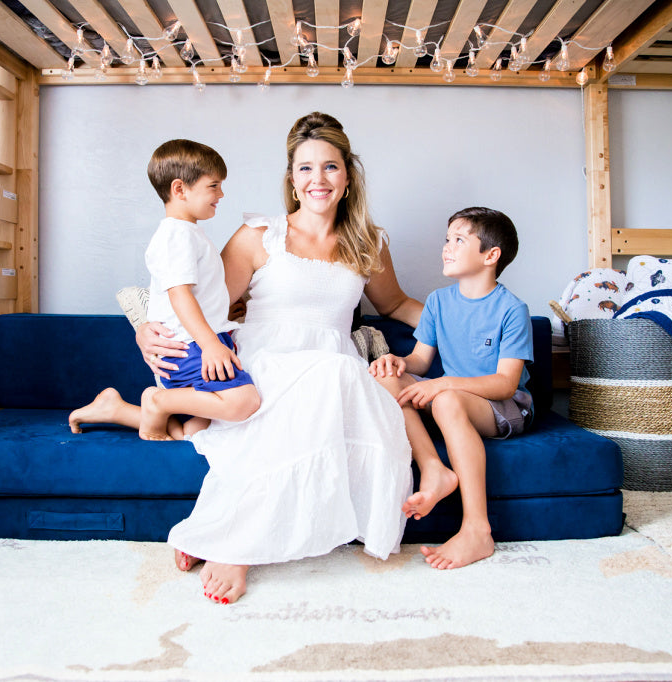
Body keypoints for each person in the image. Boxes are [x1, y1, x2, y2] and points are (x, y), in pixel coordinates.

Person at [83, 112, 423, 604]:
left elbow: (396, 306)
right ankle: (237, 544)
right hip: (263, 361)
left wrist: (459, 313)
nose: (317, 180)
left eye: (330, 167)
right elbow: (197, 301)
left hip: (333, 365)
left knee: (330, 375)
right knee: (300, 391)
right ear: (291, 178)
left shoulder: (368, 243)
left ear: (348, 175)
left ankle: (220, 522)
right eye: (305, 169)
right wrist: (141, 332)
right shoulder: (259, 236)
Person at [370, 207, 533, 570]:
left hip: (503, 404)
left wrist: (445, 385)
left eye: (460, 240)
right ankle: (434, 468)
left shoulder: (511, 310)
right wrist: (398, 362)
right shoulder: (439, 303)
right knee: (384, 379)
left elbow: (505, 383)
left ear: (491, 255)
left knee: (445, 400)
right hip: (454, 398)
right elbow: (420, 362)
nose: (447, 247)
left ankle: (477, 529)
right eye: (447, 239)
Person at [69, 139, 260, 440]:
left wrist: (222, 311)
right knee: (244, 402)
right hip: (191, 348)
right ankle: (157, 401)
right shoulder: (176, 236)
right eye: (214, 186)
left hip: (199, 343)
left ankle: (115, 409)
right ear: (180, 189)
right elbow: (179, 295)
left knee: (195, 433)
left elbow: (197, 293)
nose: (221, 194)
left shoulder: (188, 233)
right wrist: (210, 344)